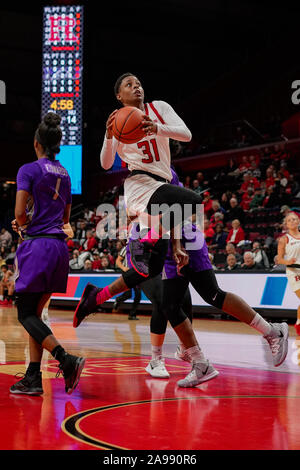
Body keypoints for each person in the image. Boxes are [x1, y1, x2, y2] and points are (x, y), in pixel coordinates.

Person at [73, 72, 202, 323]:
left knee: (150, 272)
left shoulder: (159, 108)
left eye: (139, 83)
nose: (137, 87)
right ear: (119, 96)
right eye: (129, 85)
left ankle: (95, 298)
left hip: (162, 188)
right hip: (140, 187)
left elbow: (186, 134)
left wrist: (157, 127)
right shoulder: (116, 121)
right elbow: (106, 162)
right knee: (192, 201)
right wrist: (110, 136)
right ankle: (141, 241)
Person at [10, 112, 85, 396]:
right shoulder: (66, 174)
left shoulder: (28, 170)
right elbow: (66, 217)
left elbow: (19, 212)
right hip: (58, 248)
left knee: (25, 313)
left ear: (36, 143)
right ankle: (32, 377)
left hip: (38, 245)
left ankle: (66, 360)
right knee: (36, 314)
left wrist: (22, 224)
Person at [277, 212, 300, 334]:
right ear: (286, 224)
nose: (292, 221)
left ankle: (298, 323)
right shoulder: (283, 239)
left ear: (298, 221)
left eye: (294, 219)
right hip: (293, 271)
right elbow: (279, 259)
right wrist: (288, 261)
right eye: (289, 220)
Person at [114, 241, 141, 320]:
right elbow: (118, 261)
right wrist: (124, 268)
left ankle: (132, 314)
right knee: (128, 294)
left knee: (138, 294)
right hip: (127, 272)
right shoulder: (126, 248)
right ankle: (118, 300)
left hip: (137, 273)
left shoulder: (140, 249)